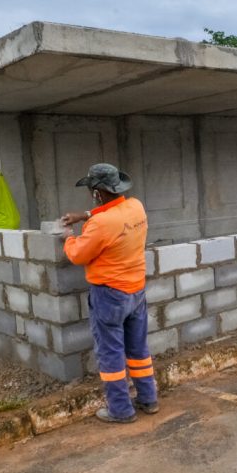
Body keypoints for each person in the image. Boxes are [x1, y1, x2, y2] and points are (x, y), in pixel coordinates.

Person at [61, 163, 157, 424]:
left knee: (111, 353)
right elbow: (111, 215)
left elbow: (78, 255)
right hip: (136, 290)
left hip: (110, 295)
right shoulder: (136, 207)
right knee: (138, 348)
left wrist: (69, 237)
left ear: (97, 192)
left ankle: (120, 410)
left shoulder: (101, 224)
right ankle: (149, 399)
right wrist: (85, 215)